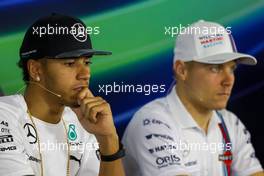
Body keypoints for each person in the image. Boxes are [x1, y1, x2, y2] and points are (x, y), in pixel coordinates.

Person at [122, 20, 263, 176]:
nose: (228, 80)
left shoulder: (230, 123)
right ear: (181, 70)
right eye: (215, 68)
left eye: (232, 68)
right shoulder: (152, 122)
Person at [0, 13, 125, 176]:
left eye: (87, 62)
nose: (85, 74)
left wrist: (108, 138)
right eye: (70, 63)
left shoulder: (84, 123)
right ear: (35, 70)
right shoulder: (5, 115)